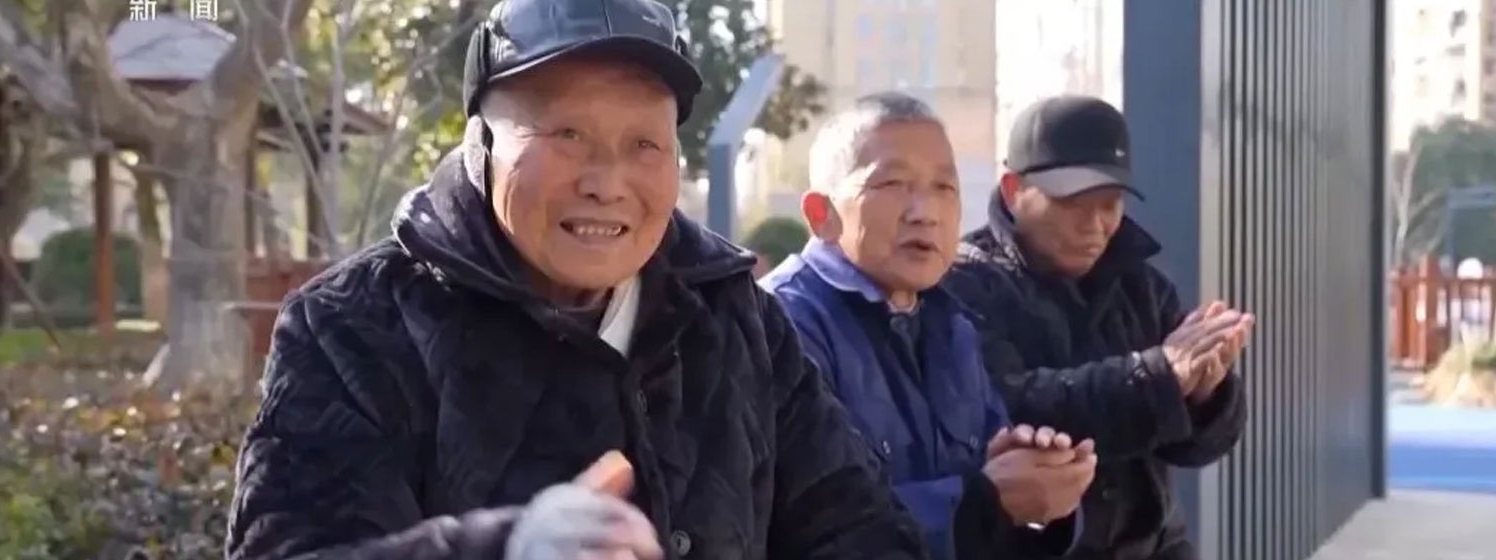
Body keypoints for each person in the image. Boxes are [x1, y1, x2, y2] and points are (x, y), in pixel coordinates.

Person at [224, 1, 934, 558]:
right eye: (567, 136)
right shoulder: (353, 327)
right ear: (480, 145)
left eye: (645, 144)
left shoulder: (733, 316)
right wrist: (498, 549)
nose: (607, 182)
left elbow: (858, 525)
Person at [760, 92, 1096, 560]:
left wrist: (1037, 484)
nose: (926, 212)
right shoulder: (779, 324)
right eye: (893, 184)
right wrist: (983, 502)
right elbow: (809, 527)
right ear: (822, 214)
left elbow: (990, 495)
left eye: (945, 187)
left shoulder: (951, 324)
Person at [944, 95, 1254, 560]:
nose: (1095, 225)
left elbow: (1195, 450)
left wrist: (1205, 394)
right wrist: (1160, 378)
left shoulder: (1142, 285)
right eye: (1072, 203)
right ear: (1012, 190)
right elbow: (1010, 406)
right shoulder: (964, 284)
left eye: (1110, 203)